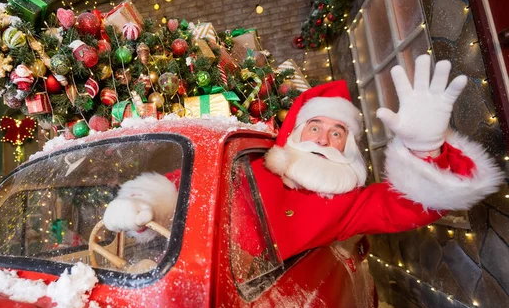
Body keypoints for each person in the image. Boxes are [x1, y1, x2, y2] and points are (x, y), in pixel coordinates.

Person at [103, 55, 504, 260]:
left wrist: (426, 149)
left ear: (348, 148)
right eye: (316, 127)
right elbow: (182, 188)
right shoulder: (248, 166)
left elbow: (409, 206)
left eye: (337, 132)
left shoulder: (349, 203)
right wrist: (141, 203)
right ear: (296, 133)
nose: (325, 139)